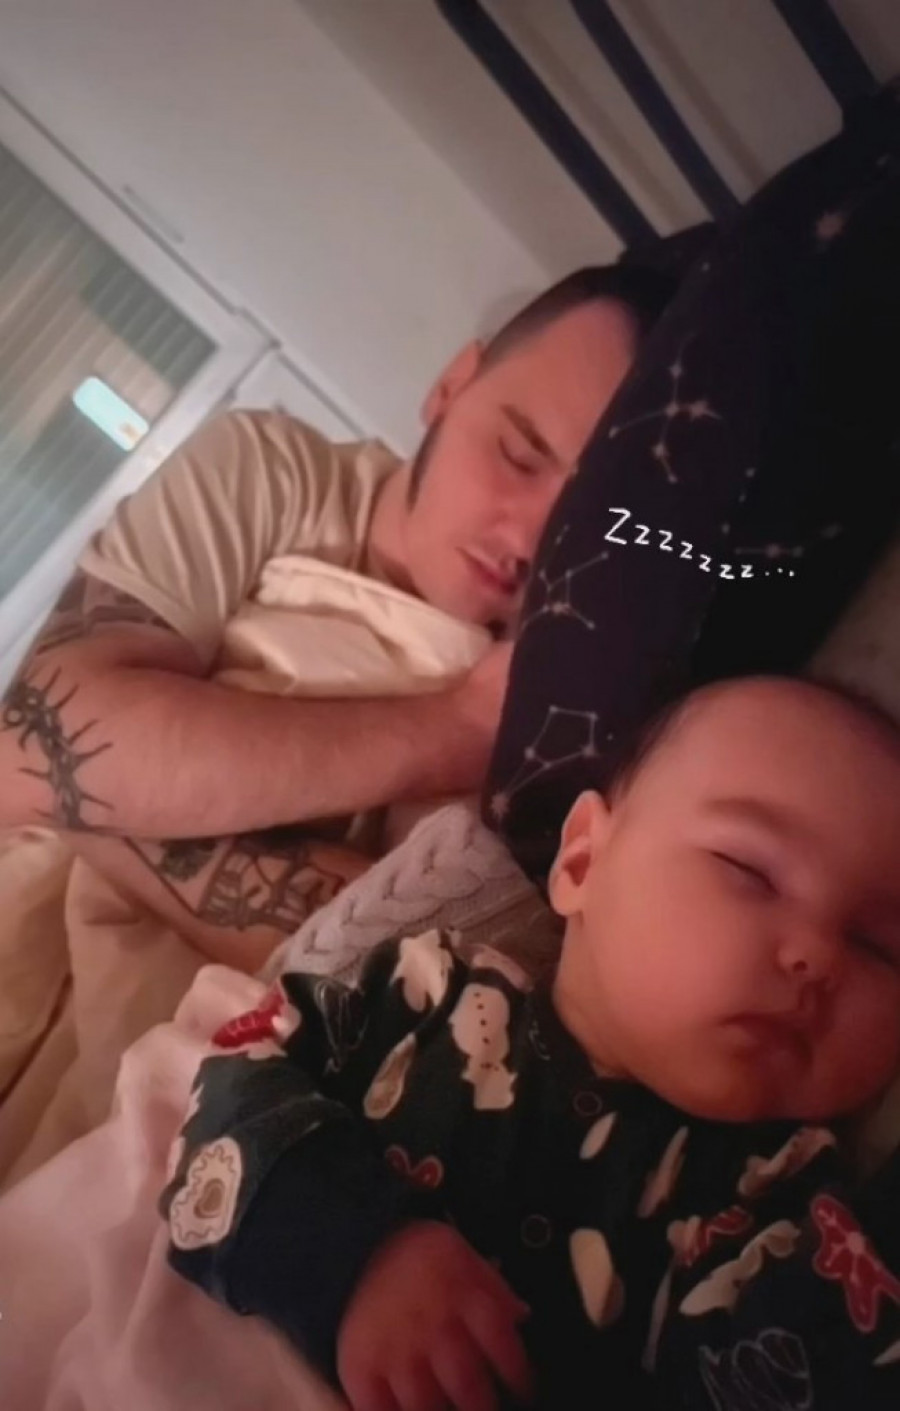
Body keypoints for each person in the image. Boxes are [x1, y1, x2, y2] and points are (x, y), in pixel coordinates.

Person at [160, 674, 900, 1410]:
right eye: (750, 871)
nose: (819, 957)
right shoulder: (430, 991)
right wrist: (356, 1251)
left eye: (879, 945)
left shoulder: (792, 1215)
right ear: (582, 862)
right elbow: (238, 1080)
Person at [0, 265, 672, 969]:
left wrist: (99, 793)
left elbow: (421, 965)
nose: (528, 537)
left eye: (586, 521)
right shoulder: (270, 471)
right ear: (451, 386)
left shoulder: (561, 689)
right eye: (519, 454)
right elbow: (30, 747)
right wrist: (455, 729)